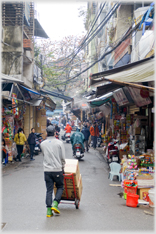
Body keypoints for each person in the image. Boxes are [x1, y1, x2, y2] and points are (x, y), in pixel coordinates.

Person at [40, 125, 66, 217]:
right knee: (60, 187)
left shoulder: (42, 144)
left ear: (47, 133)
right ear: (55, 132)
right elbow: (62, 157)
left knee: (49, 190)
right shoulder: (59, 143)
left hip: (47, 170)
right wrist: (63, 167)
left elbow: (44, 155)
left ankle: (48, 211)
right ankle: (55, 203)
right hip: (57, 169)